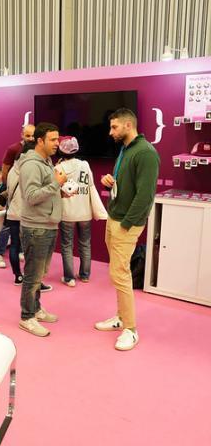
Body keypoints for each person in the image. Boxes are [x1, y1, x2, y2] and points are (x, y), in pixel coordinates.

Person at [96, 108, 160, 351]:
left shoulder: (145, 153)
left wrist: (125, 224)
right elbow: (127, 185)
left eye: (114, 127)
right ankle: (121, 317)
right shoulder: (126, 149)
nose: (110, 132)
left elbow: (145, 197)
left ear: (128, 125)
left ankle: (131, 329)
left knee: (120, 274)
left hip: (126, 223)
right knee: (117, 273)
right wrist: (110, 182)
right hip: (115, 217)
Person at [18, 123, 66, 337]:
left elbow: (44, 192)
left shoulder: (46, 162)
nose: (57, 143)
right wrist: (56, 184)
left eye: (58, 139)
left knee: (39, 274)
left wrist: (59, 193)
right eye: (53, 140)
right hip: (36, 227)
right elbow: (31, 196)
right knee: (32, 275)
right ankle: (27, 317)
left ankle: (36, 309)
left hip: (47, 225)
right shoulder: (31, 164)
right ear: (40, 141)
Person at [56, 136, 108, 287]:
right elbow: (91, 186)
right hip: (85, 212)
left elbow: (55, 189)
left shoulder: (59, 168)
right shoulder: (85, 164)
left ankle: (69, 278)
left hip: (67, 212)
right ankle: (85, 275)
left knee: (67, 246)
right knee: (85, 244)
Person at [0, 124, 35, 268]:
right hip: (14, 193)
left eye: (33, 135)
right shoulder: (13, 149)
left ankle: (21, 251)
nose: (31, 138)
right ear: (22, 135)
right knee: (8, 225)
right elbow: (5, 169)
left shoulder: (37, 149)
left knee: (24, 224)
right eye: (28, 135)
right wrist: (9, 190)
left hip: (28, 194)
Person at [4, 141, 36, 285]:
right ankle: (31, 277)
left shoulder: (12, 169)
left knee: (14, 245)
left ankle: (18, 276)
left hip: (13, 212)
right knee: (31, 247)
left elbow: (9, 190)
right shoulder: (31, 169)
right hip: (28, 214)